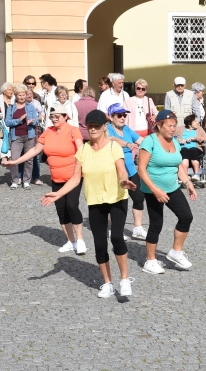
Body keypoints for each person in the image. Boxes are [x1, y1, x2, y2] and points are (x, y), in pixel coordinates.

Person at [42, 109, 136, 298]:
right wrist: (58, 194)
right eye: (90, 126)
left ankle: (124, 279)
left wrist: (124, 181)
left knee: (117, 237)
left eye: (96, 126)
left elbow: (122, 171)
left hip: (117, 198)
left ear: (104, 127)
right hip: (95, 201)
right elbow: (75, 179)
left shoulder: (113, 147)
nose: (92, 129)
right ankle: (107, 283)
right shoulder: (83, 150)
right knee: (100, 243)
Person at [5, 104, 86, 252]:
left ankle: (80, 239)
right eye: (52, 116)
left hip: (73, 176)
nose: (54, 119)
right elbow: (36, 149)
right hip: (56, 177)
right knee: (61, 210)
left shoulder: (74, 131)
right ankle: (71, 241)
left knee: (72, 206)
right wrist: (15, 162)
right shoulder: (48, 131)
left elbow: (82, 150)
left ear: (66, 116)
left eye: (57, 116)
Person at [138, 110, 197, 274]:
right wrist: (155, 190)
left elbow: (178, 165)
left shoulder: (175, 142)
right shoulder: (149, 142)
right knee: (156, 224)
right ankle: (150, 261)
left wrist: (188, 182)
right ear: (159, 125)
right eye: (169, 126)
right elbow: (141, 170)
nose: (173, 129)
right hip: (152, 190)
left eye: (174, 126)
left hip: (172, 188)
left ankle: (175, 252)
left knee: (186, 217)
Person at [106, 104, 148, 239]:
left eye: (124, 115)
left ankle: (137, 228)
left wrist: (155, 143)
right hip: (115, 170)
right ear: (111, 117)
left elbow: (141, 140)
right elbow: (111, 140)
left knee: (139, 197)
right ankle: (114, 229)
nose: (123, 118)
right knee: (116, 200)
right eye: (119, 115)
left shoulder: (127, 129)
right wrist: (127, 144)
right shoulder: (107, 129)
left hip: (130, 169)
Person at [4, 84, 38, 189]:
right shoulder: (11, 107)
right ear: (16, 96)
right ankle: (15, 180)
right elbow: (7, 122)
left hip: (29, 136)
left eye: (23, 95)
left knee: (29, 159)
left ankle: (26, 181)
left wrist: (31, 121)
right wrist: (18, 120)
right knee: (14, 159)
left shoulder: (30, 106)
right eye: (20, 95)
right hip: (16, 137)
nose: (22, 97)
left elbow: (36, 120)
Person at [178, 114, 206, 181]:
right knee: (184, 151)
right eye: (195, 121)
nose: (198, 122)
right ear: (190, 124)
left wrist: (194, 138)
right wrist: (180, 140)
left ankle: (196, 174)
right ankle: (185, 175)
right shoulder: (180, 129)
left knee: (193, 150)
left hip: (196, 148)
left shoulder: (199, 129)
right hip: (183, 148)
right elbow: (172, 137)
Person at [24, 88, 44, 185]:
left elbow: (42, 115)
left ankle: (36, 177)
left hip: (36, 128)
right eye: (27, 94)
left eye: (30, 93)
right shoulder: (21, 104)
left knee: (36, 153)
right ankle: (21, 176)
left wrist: (36, 118)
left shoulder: (36, 103)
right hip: (24, 129)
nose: (29, 95)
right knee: (23, 152)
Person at [0, 81, 15, 163]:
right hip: (2, 122)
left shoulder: (14, 99)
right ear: (4, 90)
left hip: (12, 122)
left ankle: (11, 156)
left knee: (12, 139)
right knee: (2, 138)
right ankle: (3, 156)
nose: (11, 91)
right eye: (9, 90)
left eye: (12, 90)